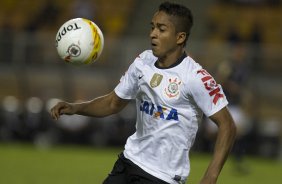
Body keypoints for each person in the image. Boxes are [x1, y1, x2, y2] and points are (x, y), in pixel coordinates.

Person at [50, 2, 236, 184]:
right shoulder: (143, 62)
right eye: (152, 27)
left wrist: (211, 176)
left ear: (180, 38)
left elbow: (227, 125)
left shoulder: (196, 77)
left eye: (161, 29)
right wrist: (75, 108)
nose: (153, 34)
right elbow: (113, 103)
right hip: (129, 161)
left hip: (163, 176)